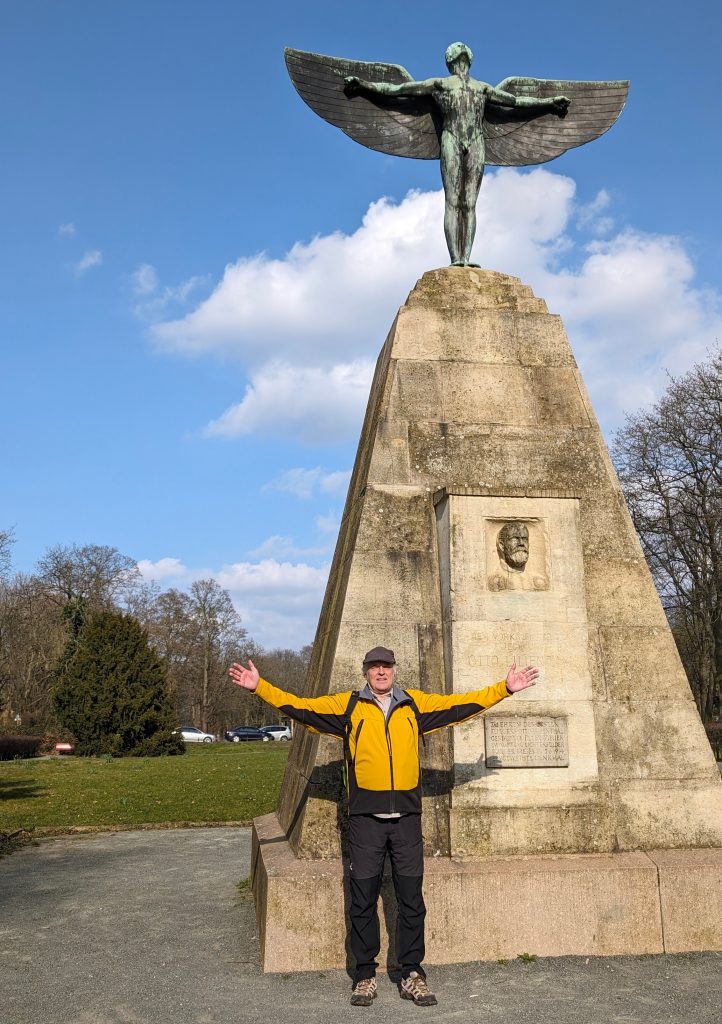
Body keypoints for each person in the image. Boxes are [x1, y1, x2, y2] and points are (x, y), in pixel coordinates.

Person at [230, 647, 538, 1006]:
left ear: (394, 670)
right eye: (375, 667)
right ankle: (364, 975)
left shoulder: (413, 704)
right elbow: (300, 707)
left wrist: (504, 688)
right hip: (365, 822)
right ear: (365, 672)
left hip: (406, 820)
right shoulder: (347, 707)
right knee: (362, 900)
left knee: (411, 900)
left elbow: (460, 706)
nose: (381, 672)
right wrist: (259, 688)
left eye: (386, 666)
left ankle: (412, 973)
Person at [345, 42, 570, 266]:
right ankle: (456, 259)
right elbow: (398, 91)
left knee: (470, 202)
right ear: (453, 59)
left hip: (475, 141)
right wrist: (364, 85)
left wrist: (549, 102)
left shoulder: (482, 88)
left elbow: (516, 102)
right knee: (452, 200)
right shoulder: (439, 84)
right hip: (451, 137)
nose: (461, 51)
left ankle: (466, 258)